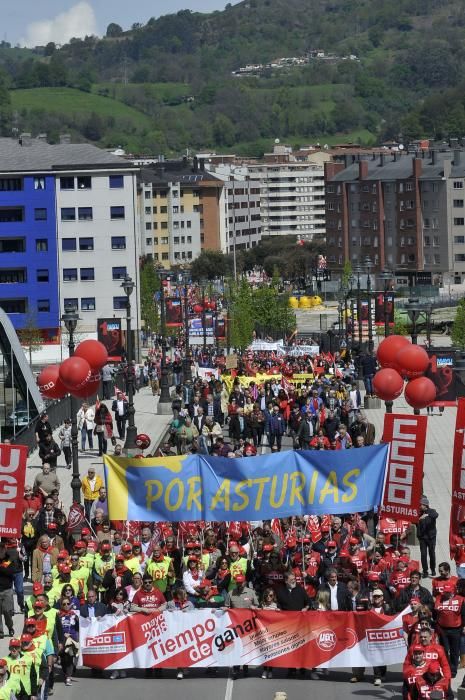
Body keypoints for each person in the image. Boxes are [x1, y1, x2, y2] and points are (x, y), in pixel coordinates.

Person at [416, 496, 438, 578]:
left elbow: (436, 515)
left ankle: (433, 569)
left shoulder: (432, 511)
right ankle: (425, 571)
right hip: (422, 538)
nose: (420, 506)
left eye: (421, 505)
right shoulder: (418, 513)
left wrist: (426, 515)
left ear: (425, 505)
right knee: (423, 554)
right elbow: (414, 520)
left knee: (432, 553)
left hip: (431, 537)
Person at [0, 543, 14, 638]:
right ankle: (0, 631)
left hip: (7, 589)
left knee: (7, 611)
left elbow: (8, 571)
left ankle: (10, 627)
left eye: (2, 550)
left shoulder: (8, 559)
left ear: (4, 550)